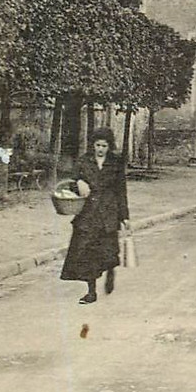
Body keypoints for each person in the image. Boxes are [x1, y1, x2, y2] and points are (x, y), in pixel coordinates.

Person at [61, 130, 130, 304]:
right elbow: (71, 182)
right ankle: (91, 292)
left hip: (108, 212)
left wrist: (124, 216)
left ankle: (110, 273)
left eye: (104, 146)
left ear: (109, 146)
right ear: (93, 145)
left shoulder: (116, 163)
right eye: (98, 145)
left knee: (108, 251)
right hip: (88, 213)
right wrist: (78, 182)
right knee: (87, 253)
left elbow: (121, 191)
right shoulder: (83, 161)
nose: (100, 149)